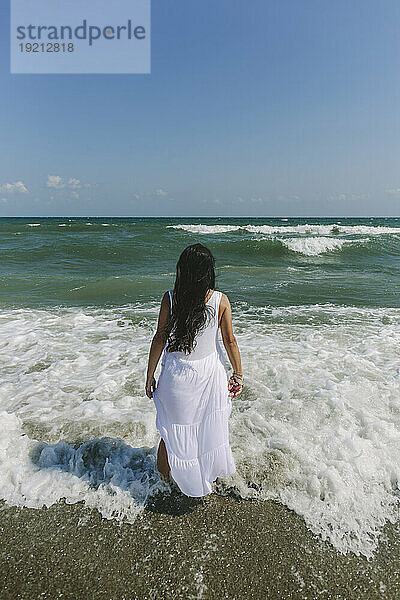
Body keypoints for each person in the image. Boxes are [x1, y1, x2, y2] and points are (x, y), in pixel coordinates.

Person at [145, 243, 243, 497]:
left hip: (177, 377)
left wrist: (150, 375)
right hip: (210, 375)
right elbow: (230, 340)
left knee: (170, 433)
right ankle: (213, 480)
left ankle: (163, 485)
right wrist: (238, 374)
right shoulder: (221, 300)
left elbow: (160, 338)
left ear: (183, 271)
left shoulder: (171, 298)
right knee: (210, 429)